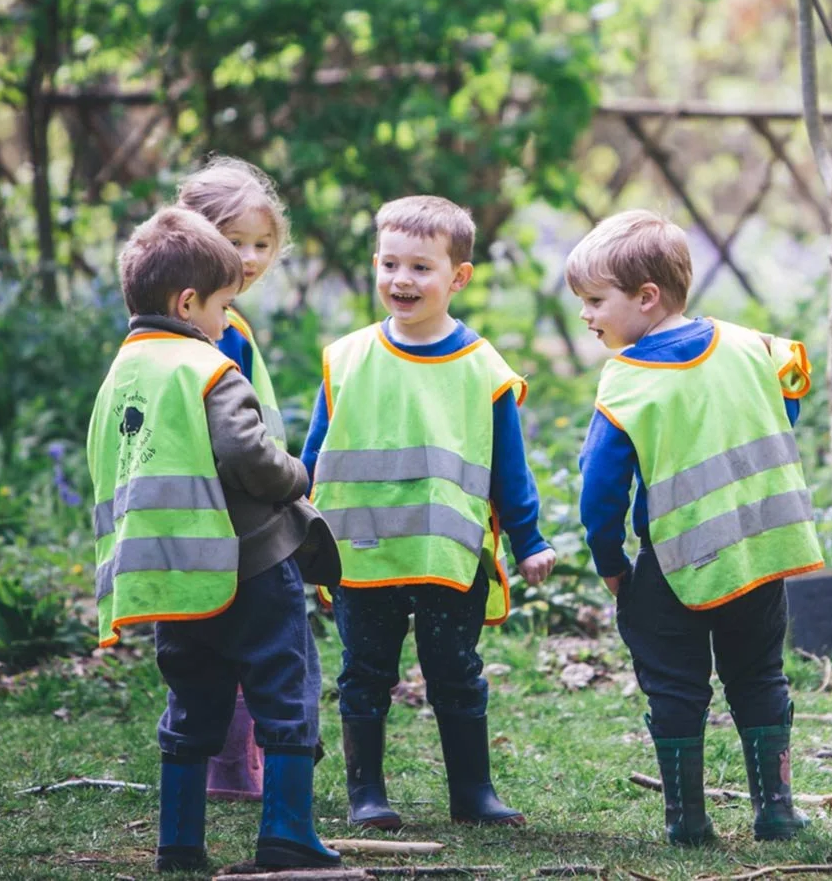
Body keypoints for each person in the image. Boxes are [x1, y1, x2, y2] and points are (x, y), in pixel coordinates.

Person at [87, 206, 341, 874]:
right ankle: (287, 833)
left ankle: (178, 842)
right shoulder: (205, 366)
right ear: (187, 302)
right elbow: (248, 454)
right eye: (224, 306)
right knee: (286, 687)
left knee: (192, 699)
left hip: (172, 575)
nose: (228, 322)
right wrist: (297, 475)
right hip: (250, 561)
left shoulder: (120, 377)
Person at [569, 210, 825, 846]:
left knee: (675, 687)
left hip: (672, 562)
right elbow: (790, 397)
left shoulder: (628, 380)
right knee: (759, 675)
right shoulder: (751, 344)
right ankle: (776, 811)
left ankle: (687, 821)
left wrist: (610, 561)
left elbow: (600, 487)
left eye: (596, 301)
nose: (586, 316)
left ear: (646, 297)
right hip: (758, 552)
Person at [303, 195, 557, 830]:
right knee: (364, 674)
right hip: (362, 554)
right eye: (390, 264)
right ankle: (366, 795)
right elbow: (313, 458)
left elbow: (508, 466)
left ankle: (473, 794)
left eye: (421, 267)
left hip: (449, 554)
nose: (402, 280)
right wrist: (294, 527)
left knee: (457, 673)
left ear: (458, 276)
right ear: (375, 265)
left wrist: (528, 540)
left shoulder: (481, 367)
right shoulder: (347, 358)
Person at [178, 156, 293, 802]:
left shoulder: (216, 319)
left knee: (214, 637)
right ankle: (230, 768)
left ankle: (224, 764)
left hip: (225, 503)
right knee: (248, 641)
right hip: (236, 506)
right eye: (234, 241)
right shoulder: (213, 330)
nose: (249, 258)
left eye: (260, 244)